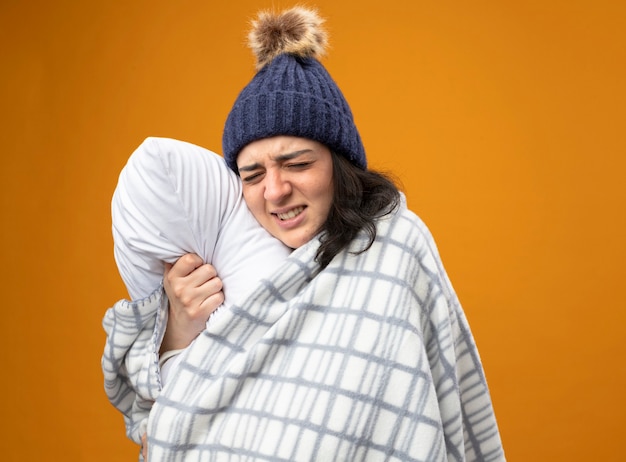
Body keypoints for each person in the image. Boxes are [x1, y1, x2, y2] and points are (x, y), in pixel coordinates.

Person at [103, 6, 506, 461]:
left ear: (340, 164)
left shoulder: (396, 247)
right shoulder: (236, 265)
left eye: (296, 164)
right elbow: (164, 423)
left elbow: (442, 399)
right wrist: (177, 332)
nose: (275, 191)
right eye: (252, 175)